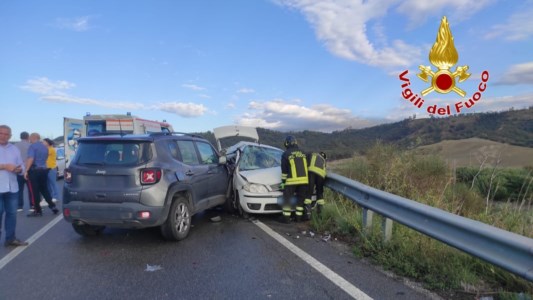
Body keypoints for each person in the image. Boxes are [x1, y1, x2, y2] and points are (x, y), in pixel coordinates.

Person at [0, 125, 29, 247]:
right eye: (1, 133)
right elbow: (6, 166)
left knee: (12, 214)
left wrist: (19, 170)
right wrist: (5, 166)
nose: (3, 136)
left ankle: (10, 239)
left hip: (12, 188)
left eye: (7, 134)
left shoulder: (14, 149)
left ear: (10, 136)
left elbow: (21, 166)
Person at [24, 133, 59, 217]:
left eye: (30, 138)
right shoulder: (45, 147)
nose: (29, 139)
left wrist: (26, 170)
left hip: (34, 171)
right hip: (44, 170)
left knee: (34, 191)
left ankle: (37, 210)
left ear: (32, 138)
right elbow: (45, 158)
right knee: (44, 190)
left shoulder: (32, 146)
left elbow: (31, 158)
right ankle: (52, 206)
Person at [280, 135, 308, 223]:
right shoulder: (303, 152)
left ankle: (286, 219)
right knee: (300, 201)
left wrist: (283, 183)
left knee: (287, 200)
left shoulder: (286, 154)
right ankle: (298, 219)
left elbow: (284, 171)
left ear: (287, 143)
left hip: (292, 181)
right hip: (304, 181)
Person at [305, 151, 327, 218]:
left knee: (309, 193)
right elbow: (325, 170)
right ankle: (320, 214)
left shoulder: (311, 154)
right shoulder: (323, 160)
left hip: (311, 172)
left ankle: (307, 213)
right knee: (320, 193)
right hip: (321, 175)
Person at [14, 131, 31, 211]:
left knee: (19, 190)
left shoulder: (15, 146)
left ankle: (19, 206)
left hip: (19, 170)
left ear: (20, 137)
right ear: (28, 137)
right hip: (29, 170)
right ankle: (32, 205)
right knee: (31, 189)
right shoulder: (31, 145)